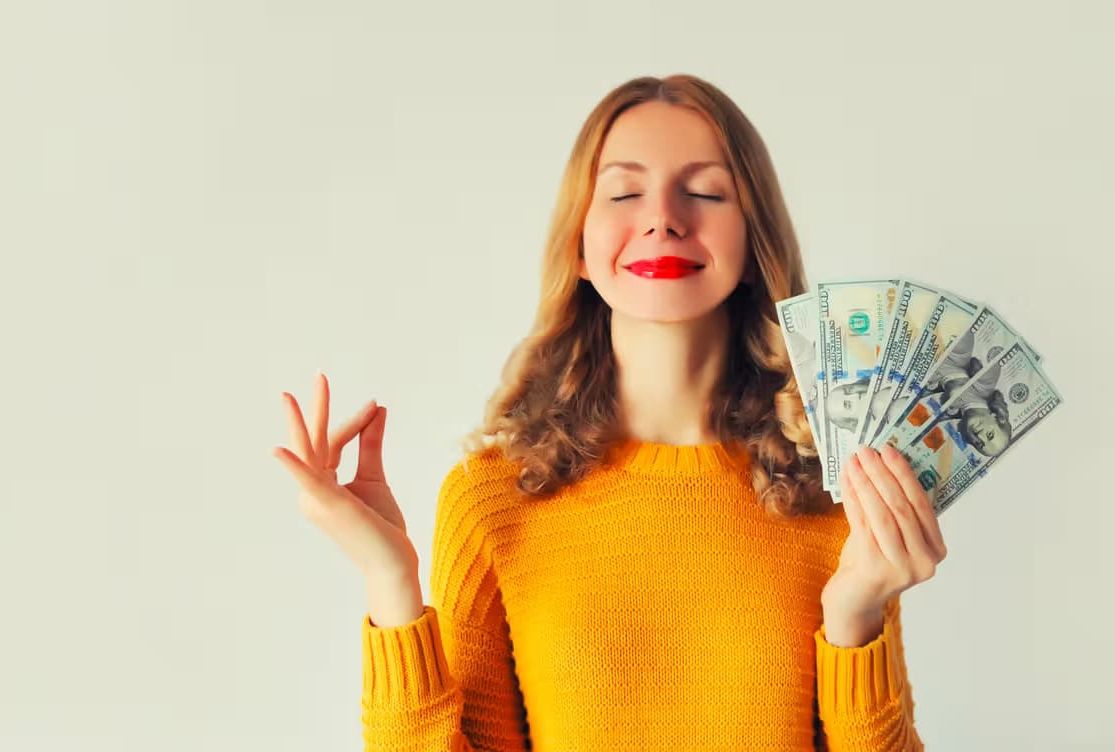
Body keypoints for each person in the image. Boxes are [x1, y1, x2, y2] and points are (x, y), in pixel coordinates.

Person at [272, 74, 946, 751]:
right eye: (625, 193)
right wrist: (389, 580)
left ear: (754, 244)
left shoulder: (837, 495)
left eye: (705, 192)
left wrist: (854, 616)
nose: (663, 219)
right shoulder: (492, 500)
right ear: (579, 246)